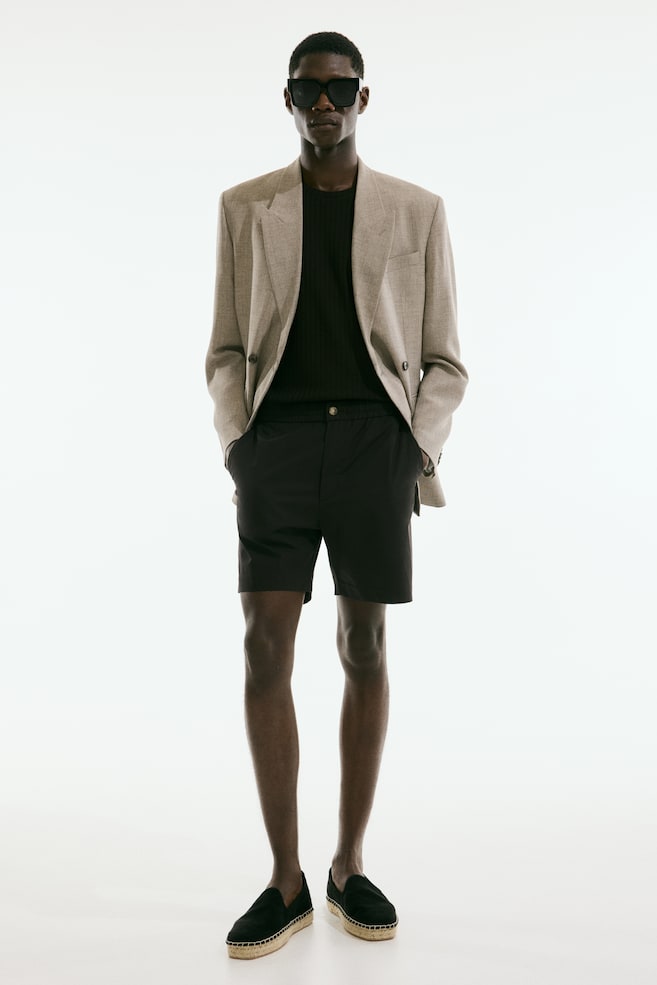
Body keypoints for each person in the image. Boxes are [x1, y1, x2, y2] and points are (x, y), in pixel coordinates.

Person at [205, 31, 467, 959]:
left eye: (340, 88)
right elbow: (224, 349)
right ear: (287, 99)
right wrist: (239, 443)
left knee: (364, 644)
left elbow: (444, 358)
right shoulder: (246, 207)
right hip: (274, 447)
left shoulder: (415, 210)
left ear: (363, 97)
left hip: (371, 448)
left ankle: (348, 863)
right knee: (262, 646)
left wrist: (411, 448)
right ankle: (285, 880)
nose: (324, 103)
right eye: (308, 89)